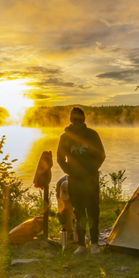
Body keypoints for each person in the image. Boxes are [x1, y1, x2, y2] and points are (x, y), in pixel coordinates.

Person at [56, 106, 105, 255]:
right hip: (74, 180)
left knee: (93, 211)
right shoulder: (65, 138)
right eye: (74, 119)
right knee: (79, 213)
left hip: (91, 180)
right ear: (70, 120)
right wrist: (70, 171)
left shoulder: (92, 135)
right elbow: (60, 158)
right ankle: (82, 245)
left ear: (84, 119)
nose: (77, 122)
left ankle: (95, 244)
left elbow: (101, 155)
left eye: (79, 119)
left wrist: (90, 171)